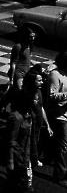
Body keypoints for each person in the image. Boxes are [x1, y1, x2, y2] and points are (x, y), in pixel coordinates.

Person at [0, 27, 35, 115]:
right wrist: (12, 79)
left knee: (12, 93)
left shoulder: (28, 46)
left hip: (25, 72)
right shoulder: (18, 47)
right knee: (20, 93)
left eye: (33, 36)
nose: (33, 38)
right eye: (31, 37)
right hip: (18, 73)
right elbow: (13, 63)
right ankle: (16, 112)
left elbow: (27, 58)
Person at [6, 86, 39, 192]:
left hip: (25, 156)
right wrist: (10, 162)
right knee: (19, 185)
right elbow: (11, 141)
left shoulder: (29, 115)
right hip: (17, 158)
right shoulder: (15, 118)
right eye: (35, 99)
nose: (37, 101)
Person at [48, 50, 67, 188]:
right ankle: (60, 176)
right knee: (63, 147)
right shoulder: (55, 74)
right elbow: (52, 95)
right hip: (60, 116)